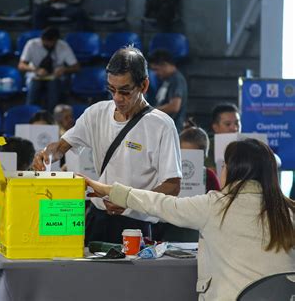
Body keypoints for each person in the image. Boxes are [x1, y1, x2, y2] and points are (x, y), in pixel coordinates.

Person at [83, 138, 295, 300]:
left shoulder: (215, 205)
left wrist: (108, 189)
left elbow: (159, 204)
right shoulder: (288, 210)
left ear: (232, 170)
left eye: (224, 165)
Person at [33, 46, 182, 244]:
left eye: (125, 91)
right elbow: (61, 147)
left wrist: (130, 202)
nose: (117, 98)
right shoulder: (96, 113)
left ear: (144, 85)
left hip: (136, 226)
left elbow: (173, 185)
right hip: (97, 217)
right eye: (111, 90)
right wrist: (46, 154)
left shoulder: (161, 125)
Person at [19, 27, 80, 113]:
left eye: (51, 43)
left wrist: (64, 69)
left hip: (55, 77)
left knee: (54, 86)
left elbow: (76, 67)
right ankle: (30, 113)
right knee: (34, 85)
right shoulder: (32, 44)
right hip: (35, 75)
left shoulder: (63, 46)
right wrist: (35, 70)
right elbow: (21, 65)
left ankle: (52, 116)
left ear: (56, 41)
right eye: (45, 43)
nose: (48, 45)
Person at [148, 48, 187, 132]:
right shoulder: (167, 80)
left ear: (165, 65)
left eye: (156, 69)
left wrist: (150, 111)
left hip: (172, 130)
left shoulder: (176, 79)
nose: (155, 73)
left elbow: (174, 106)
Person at [180, 126, 220, 191]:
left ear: (203, 157)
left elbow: (216, 198)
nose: (188, 159)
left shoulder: (209, 176)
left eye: (193, 156)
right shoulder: (173, 176)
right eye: (184, 154)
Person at [205, 103, 240, 170]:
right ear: (215, 127)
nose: (235, 128)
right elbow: (212, 173)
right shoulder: (207, 147)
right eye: (228, 124)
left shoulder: (248, 146)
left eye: (237, 123)